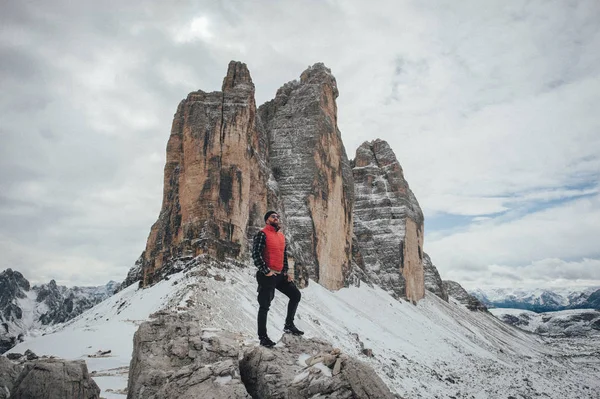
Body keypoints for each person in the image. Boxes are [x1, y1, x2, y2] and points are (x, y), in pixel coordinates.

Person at [252, 210, 304, 348]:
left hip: (280, 275)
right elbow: (256, 254)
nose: (276, 218)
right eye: (273, 216)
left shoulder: (281, 236)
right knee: (264, 306)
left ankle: (289, 325)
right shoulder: (262, 234)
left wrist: (286, 272)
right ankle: (263, 337)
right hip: (267, 275)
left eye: (277, 216)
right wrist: (266, 270)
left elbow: (283, 256)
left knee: (296, 295)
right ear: (267, 220)